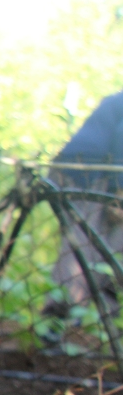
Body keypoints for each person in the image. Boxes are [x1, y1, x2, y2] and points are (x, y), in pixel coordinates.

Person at [51, 91, 123, 318]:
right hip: (88, 174)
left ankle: (106, 323)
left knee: (110, 250)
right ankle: (58, 319)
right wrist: (119, 191)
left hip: (96, 173)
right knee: (84, 247)